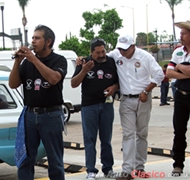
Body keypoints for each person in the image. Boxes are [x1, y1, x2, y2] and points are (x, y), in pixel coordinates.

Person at [9, 25, 67, 180]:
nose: (33, 41)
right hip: (29, 114)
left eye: (37, 38)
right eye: (33, 38)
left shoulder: (59, 60)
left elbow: (53, 79)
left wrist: (33, 59)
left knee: (55, 160)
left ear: (48, 41)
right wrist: (17, 62)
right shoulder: (27, 63)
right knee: (25, 159)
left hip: (51, 115)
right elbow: (13, 84)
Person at [107, 34, 164, 180]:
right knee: (128, 134)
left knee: (141, 134)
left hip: (143, 98)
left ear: (133, 47)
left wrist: (146, 91)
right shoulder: (116, 54)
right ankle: (127, 170)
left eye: (125, 49)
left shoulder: (145, 57)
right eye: (120, 48)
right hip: (126, 100)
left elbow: (159, 75)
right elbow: (100, 58)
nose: (122, 52)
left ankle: (139, 167)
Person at [71, 38, 119, 179]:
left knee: (106, 139)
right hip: (89, 106)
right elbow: (74, 83)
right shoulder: (84, 62)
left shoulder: (111, 62)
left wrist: (114, 88)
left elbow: (118, 82)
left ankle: (108, 168)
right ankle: (91, 170)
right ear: (91, 52)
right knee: (90, 139)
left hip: (107, 105)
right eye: (97, 52)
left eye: (103, 51)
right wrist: (84, 71)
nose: (101, 54)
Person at [166, 20, 190, 176]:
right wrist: (185, 69)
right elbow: (168, 73)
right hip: (181, 96)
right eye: (180, 33)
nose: (180, 36)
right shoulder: (178, 52)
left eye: (183, 33)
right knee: (179, 131)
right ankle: (178, 164)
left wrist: (179, 67)